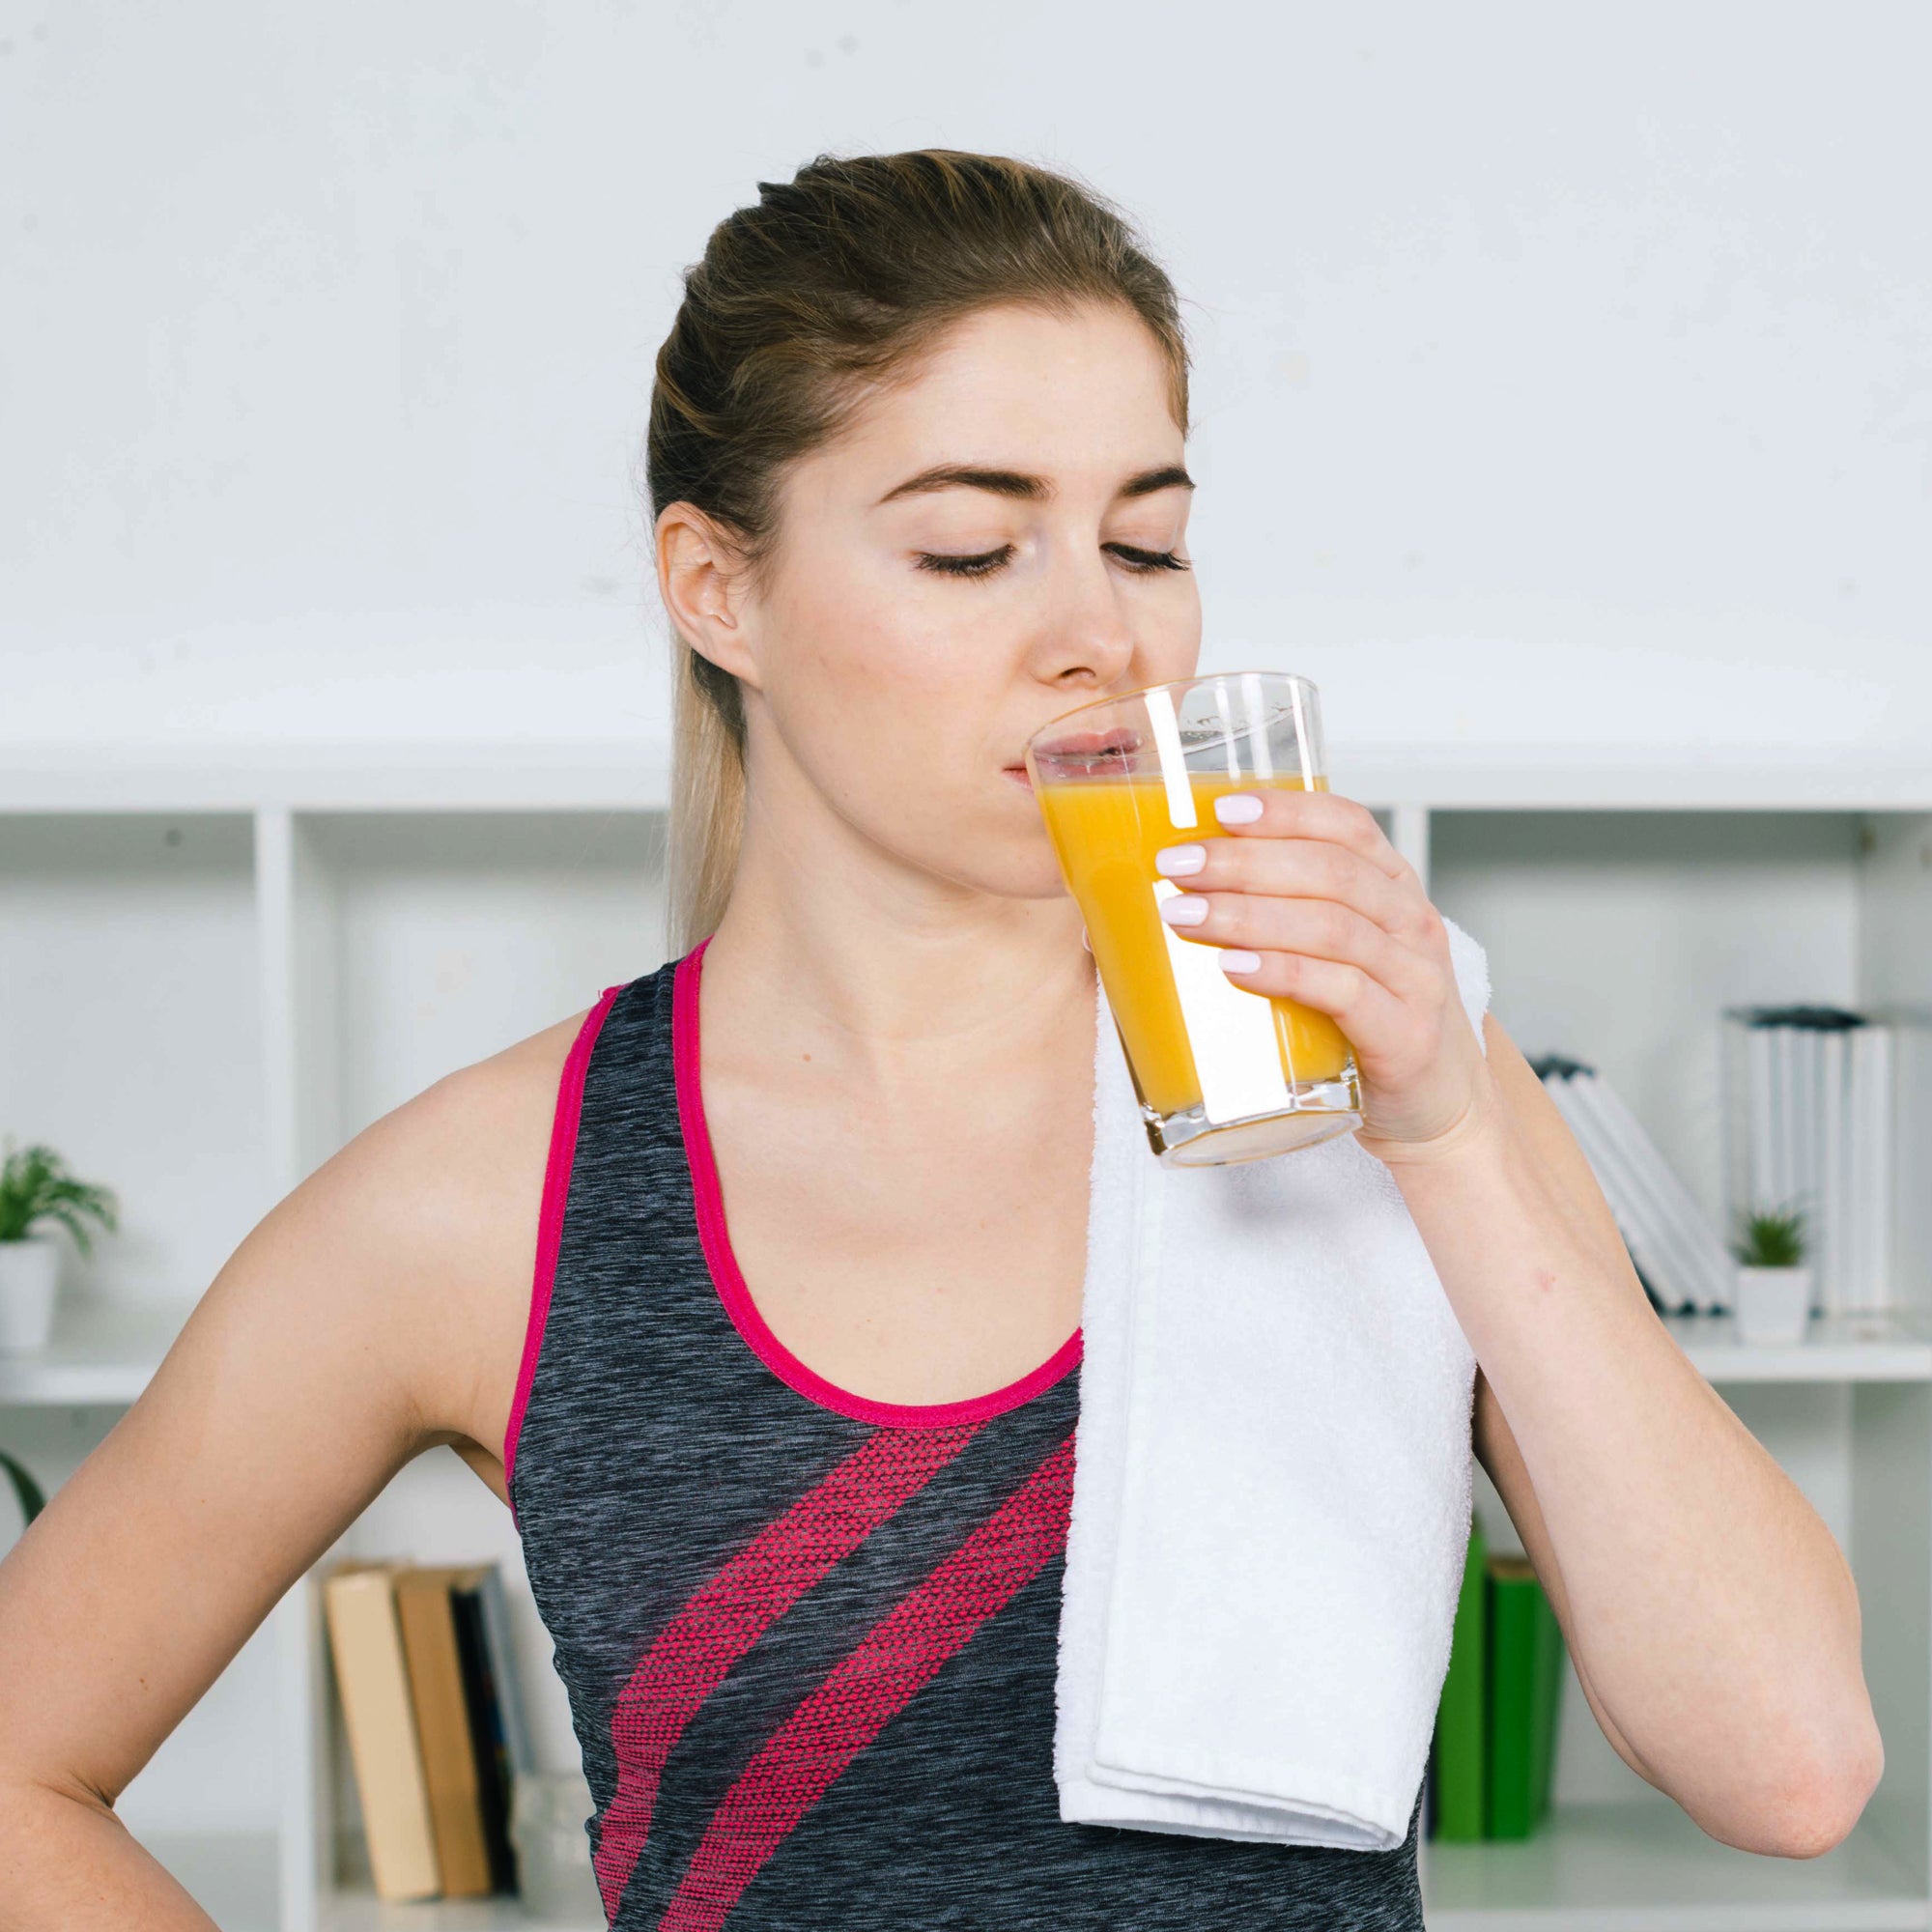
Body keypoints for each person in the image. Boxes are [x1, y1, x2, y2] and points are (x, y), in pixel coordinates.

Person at [0, 150, 1881, 1929]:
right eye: (975, 551)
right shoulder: (490, 1200)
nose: (1098, 636)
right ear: (717, 588)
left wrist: (1454, 1139)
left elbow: (1791, 1765)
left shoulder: (1377, 1071)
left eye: (1144, 543)